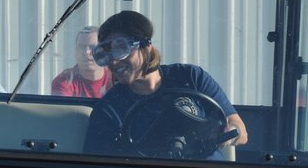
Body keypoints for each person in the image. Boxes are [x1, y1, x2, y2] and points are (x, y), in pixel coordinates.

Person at [83, 11, 248, 158]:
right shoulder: (109, 108)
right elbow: (98, 166)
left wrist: (230, 133)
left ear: (146, 47)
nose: (115, 61)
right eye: (108, 54)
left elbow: (239, 130)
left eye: (121, 48)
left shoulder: (192, 78)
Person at [50, 26, 113, 98]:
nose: (86, 52)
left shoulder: (115, 79)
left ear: (103, 50)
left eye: (92, 47)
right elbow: (63, 108)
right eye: (82, 47)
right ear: (75, 50)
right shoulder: (64, 81)